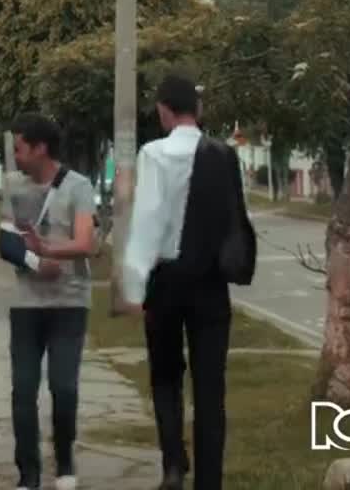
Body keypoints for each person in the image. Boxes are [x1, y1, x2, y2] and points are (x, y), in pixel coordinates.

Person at [119, 74, 254, 490]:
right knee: (211, 387)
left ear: (164, 109)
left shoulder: (154, 153)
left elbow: (149, 219)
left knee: (165, 376)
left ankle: (174, 465)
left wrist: (135, 283)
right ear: (198, 110)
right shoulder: (224, 155)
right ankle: (209, 480)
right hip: (211, 282)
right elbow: (236, 217)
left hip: (167, 280)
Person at [3, 113, 97, 490]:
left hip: (69, 302)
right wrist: (35, 262)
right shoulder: (13, 186)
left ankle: (65, 461)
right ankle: (28, 473)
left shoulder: (79, 187)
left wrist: (49, 252)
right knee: (24, 389)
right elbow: (5, 241)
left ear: (40, 148)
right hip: (26, 304)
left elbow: (85, 242)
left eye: (20, 148)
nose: (16, 156)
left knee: (64, 386)